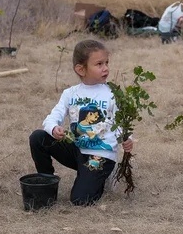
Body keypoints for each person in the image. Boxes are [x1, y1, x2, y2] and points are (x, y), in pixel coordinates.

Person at [28, 39, 134, 206]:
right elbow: (52, 117)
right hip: (76, 149)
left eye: (106, 62)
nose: (105, 68)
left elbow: (121, 122)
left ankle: (102, 176)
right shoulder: (70, 93)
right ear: (80, 69)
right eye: (99, 64)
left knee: (80, 200)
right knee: (38, 137)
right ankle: (46, 180)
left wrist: (127, 139)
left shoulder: (113, 93)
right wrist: (54, 128)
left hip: (100, 155)